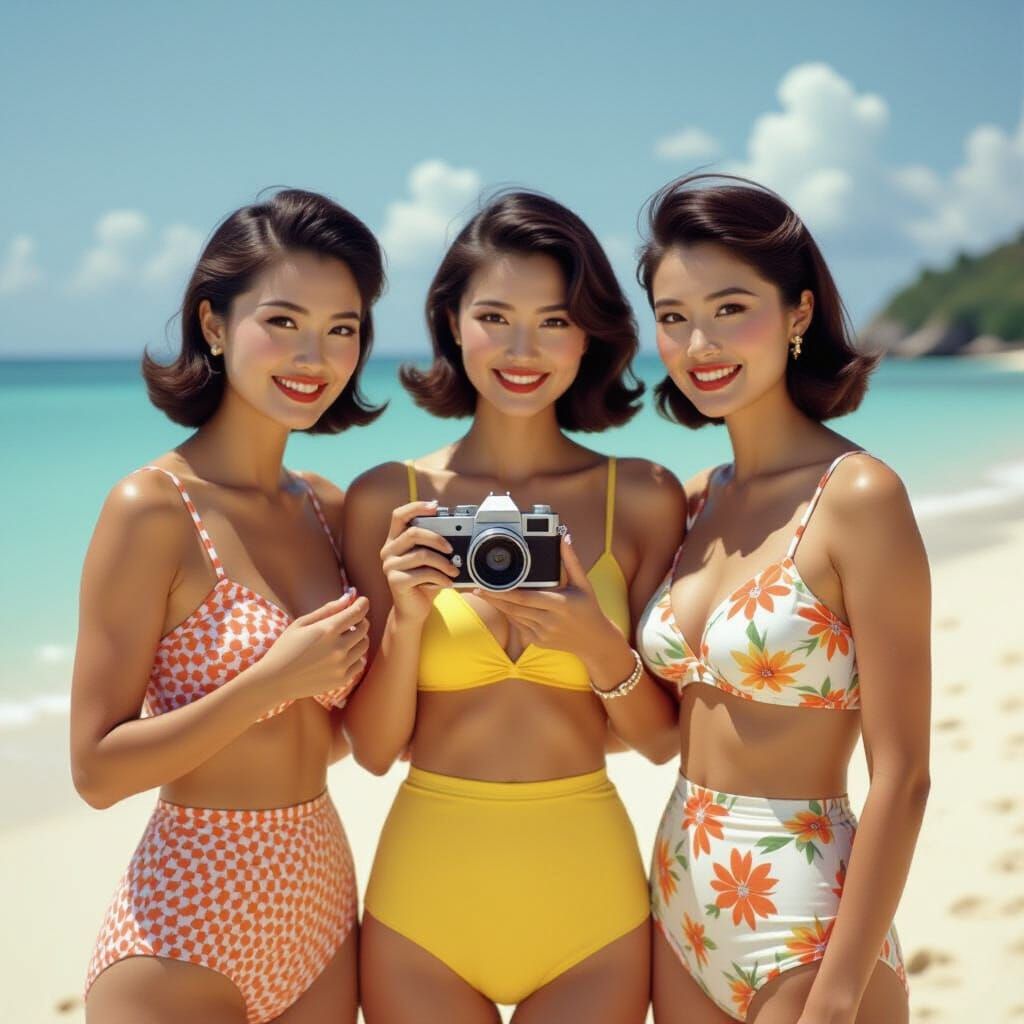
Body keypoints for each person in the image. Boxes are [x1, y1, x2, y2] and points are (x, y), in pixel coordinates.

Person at [342, 191, 684, 1023]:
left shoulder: (637, 496)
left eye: (555, 321)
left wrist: (595, 642)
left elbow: (662, 740)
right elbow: (373, 750)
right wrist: (408, 618)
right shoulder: (388, 498)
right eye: (495, 315)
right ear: (451, 320)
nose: (523, 349)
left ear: (590, 334)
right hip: (424, 901)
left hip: (590, 905)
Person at [73, 189, 381, 1024]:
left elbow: (354, 735)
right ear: (213, 325)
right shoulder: (151, 507)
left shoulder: (327, 506)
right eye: (281, 321)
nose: (314, 354)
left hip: (319, 900)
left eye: (342, 328)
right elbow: (97, 771)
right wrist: (267, 684)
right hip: (184, 923)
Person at [635, 175, 930, 1023]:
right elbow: (663, 730)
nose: (700, 342)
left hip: (806, 918)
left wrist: (838, 995)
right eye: (673, 316)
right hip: (679, 896)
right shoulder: (699, 498)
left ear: (798, 313)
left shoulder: (859, 495)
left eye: (732, 308)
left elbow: (904, 772)